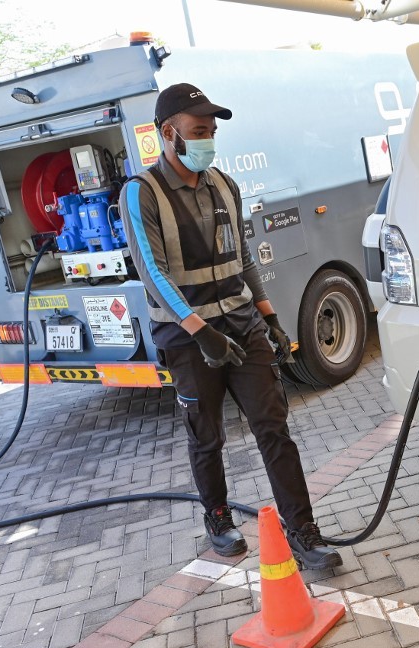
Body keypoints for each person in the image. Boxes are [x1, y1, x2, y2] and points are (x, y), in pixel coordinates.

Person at [119, 83, 342, 570]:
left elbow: (241, 257)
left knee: (274, 430)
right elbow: (153, 273)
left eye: (212, 131)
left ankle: (302, 532)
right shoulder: (141, 193)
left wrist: (270, 318)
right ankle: (218, 520)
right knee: (207, 436)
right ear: (168, 134)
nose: (208, 139)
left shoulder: (223, 183)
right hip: (187, 338)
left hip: (242, 327)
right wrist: (201, 332)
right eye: (199, 131)